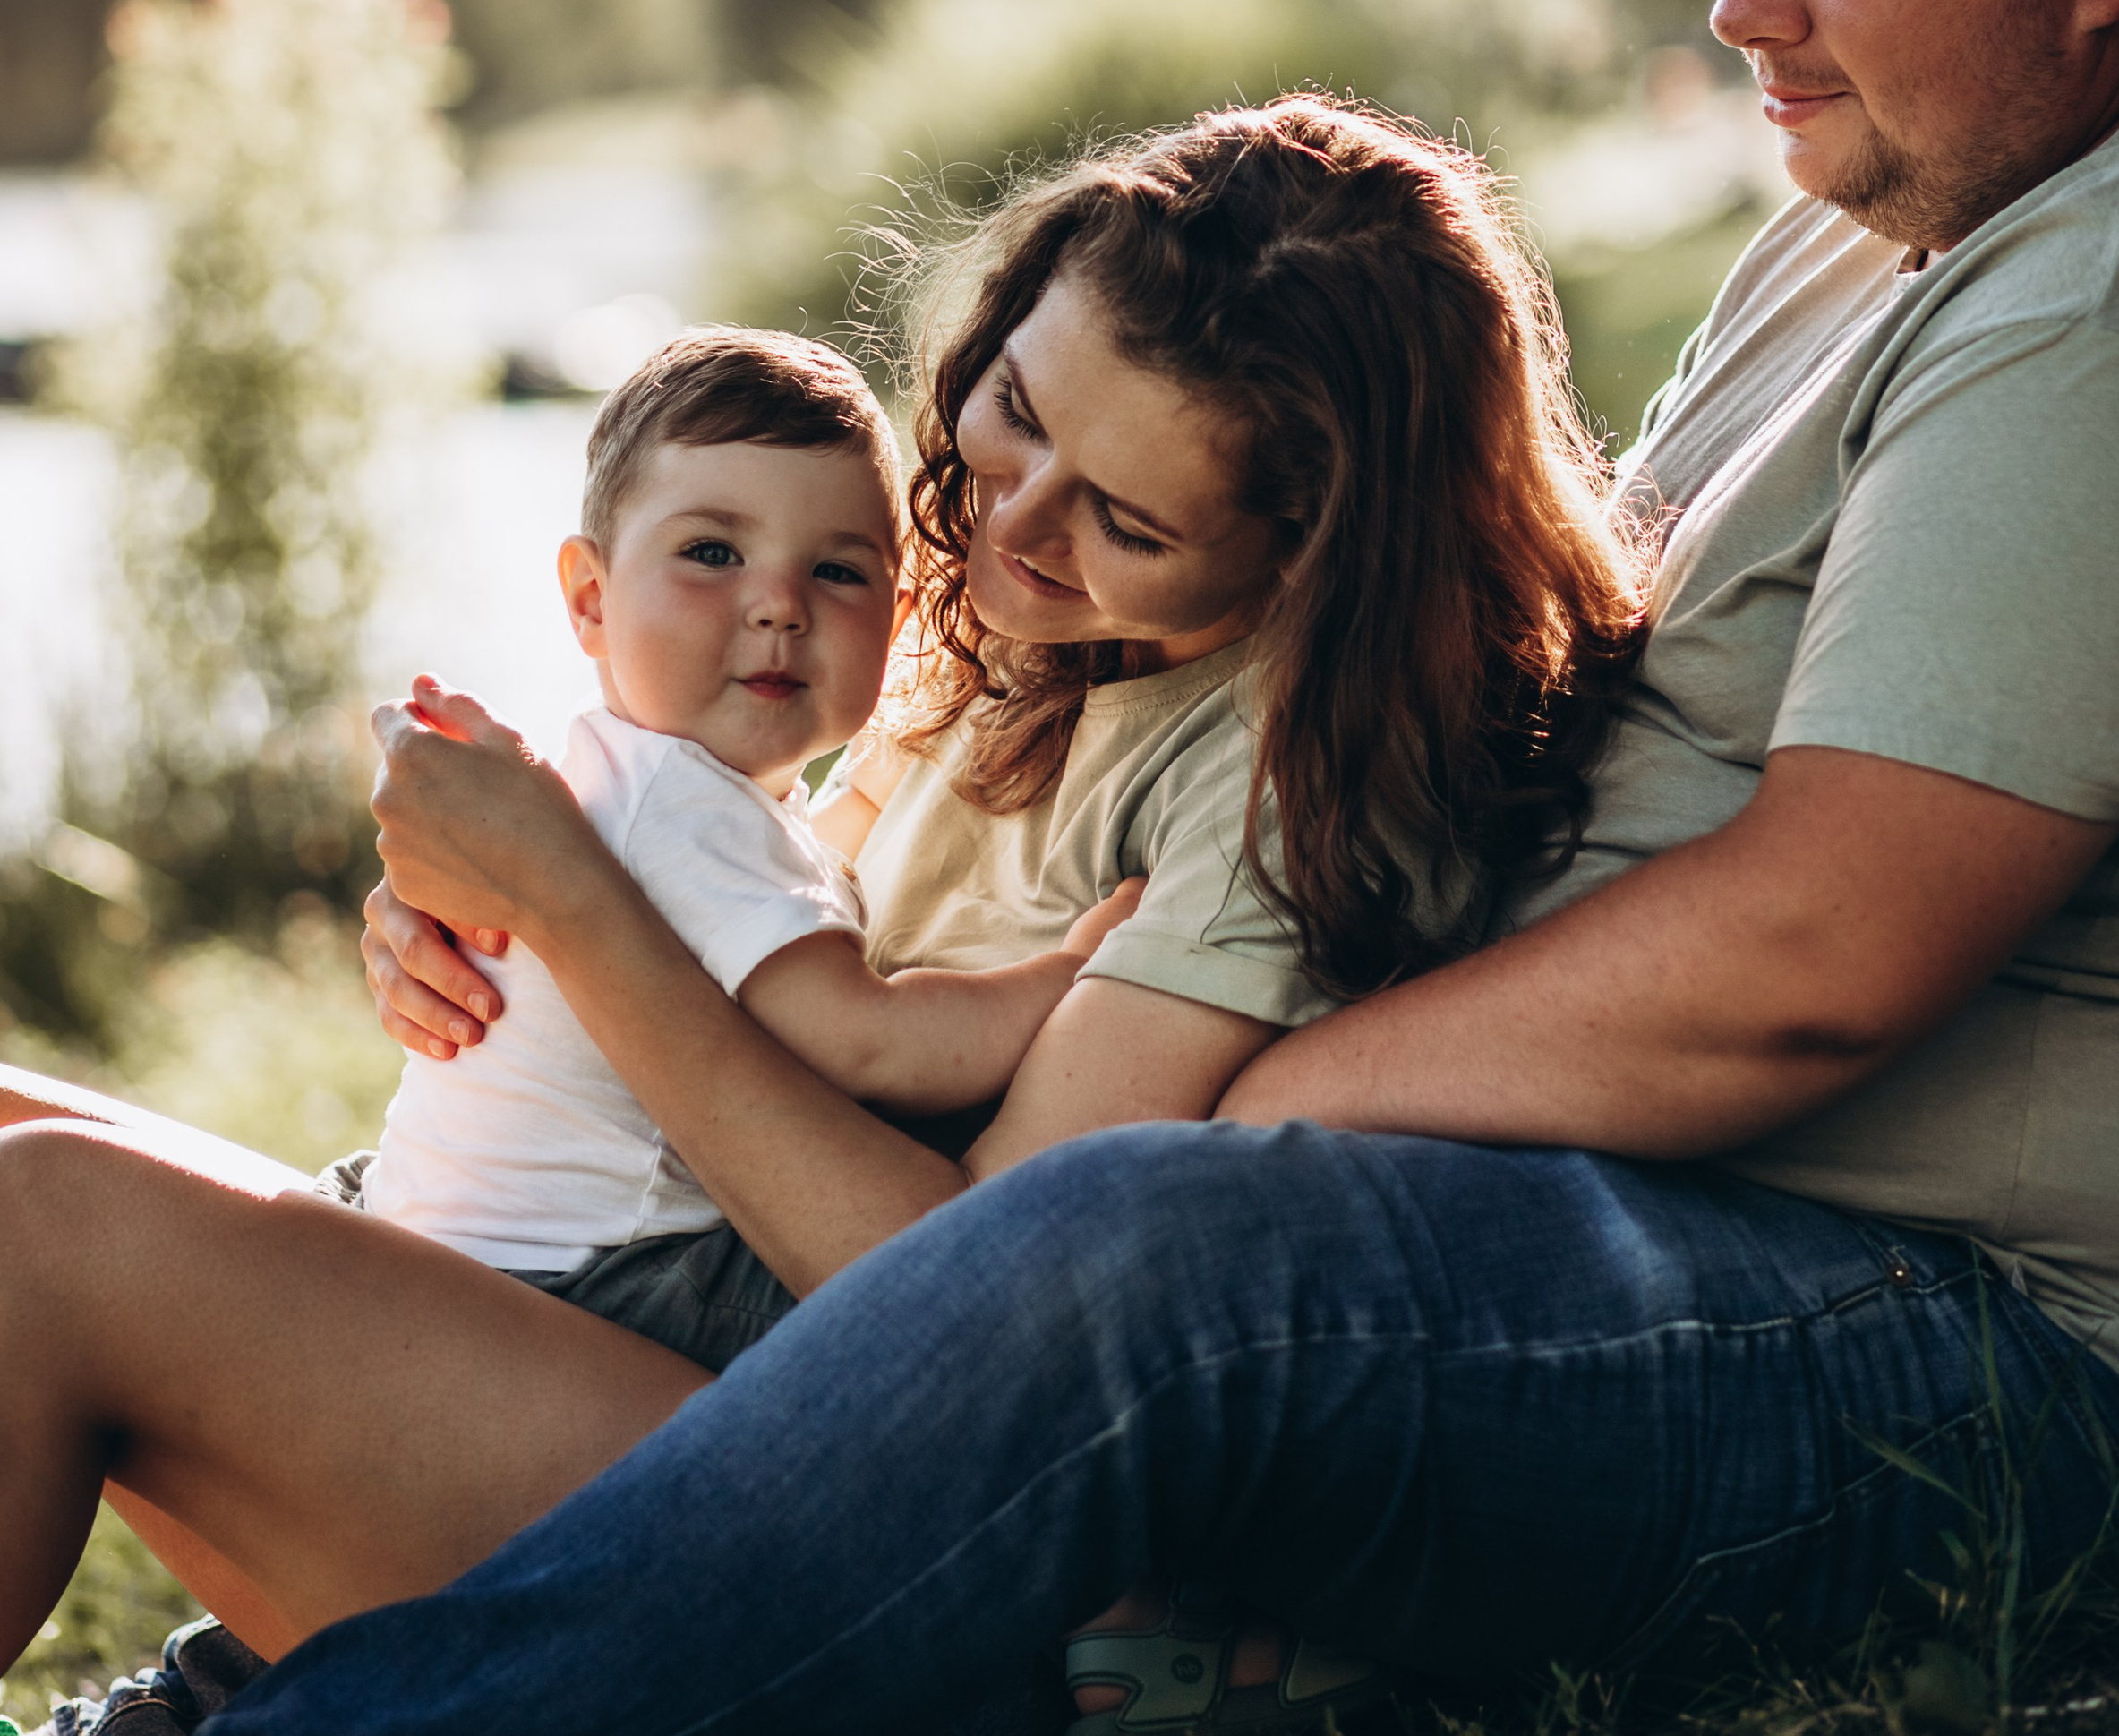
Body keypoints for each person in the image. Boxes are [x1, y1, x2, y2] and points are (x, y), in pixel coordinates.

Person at [207, 0, 2119, 1736]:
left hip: (2019, 1351)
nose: (1734, 10)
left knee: (1128, 1255)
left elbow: (1808, 961)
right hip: (1675, 1217)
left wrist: (1251, 1100)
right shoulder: (1891, 198)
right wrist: (583, 893)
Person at [0, 97, 1638, 1722]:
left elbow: (979, 1325)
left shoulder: (1286, 793)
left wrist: (572, 904)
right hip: (622, 1334)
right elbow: (723, 901)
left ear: (1315, 553)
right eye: (1015, 413)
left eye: (1126, 521)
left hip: (851, 1480)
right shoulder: (1005, 643)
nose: (1011, 526)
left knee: (48, 1225)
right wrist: (483, 922)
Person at [338, 326, 1143, 1365]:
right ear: (590, 597)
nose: (778, 605)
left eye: (836, 571)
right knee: (957, 1337)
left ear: (897, 620)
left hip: (441, 1225)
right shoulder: (682, 808)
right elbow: (869, 1043)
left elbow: (806, 890)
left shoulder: (631, 779)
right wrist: (1070, 973)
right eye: (712, 553)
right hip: (592, 1278)